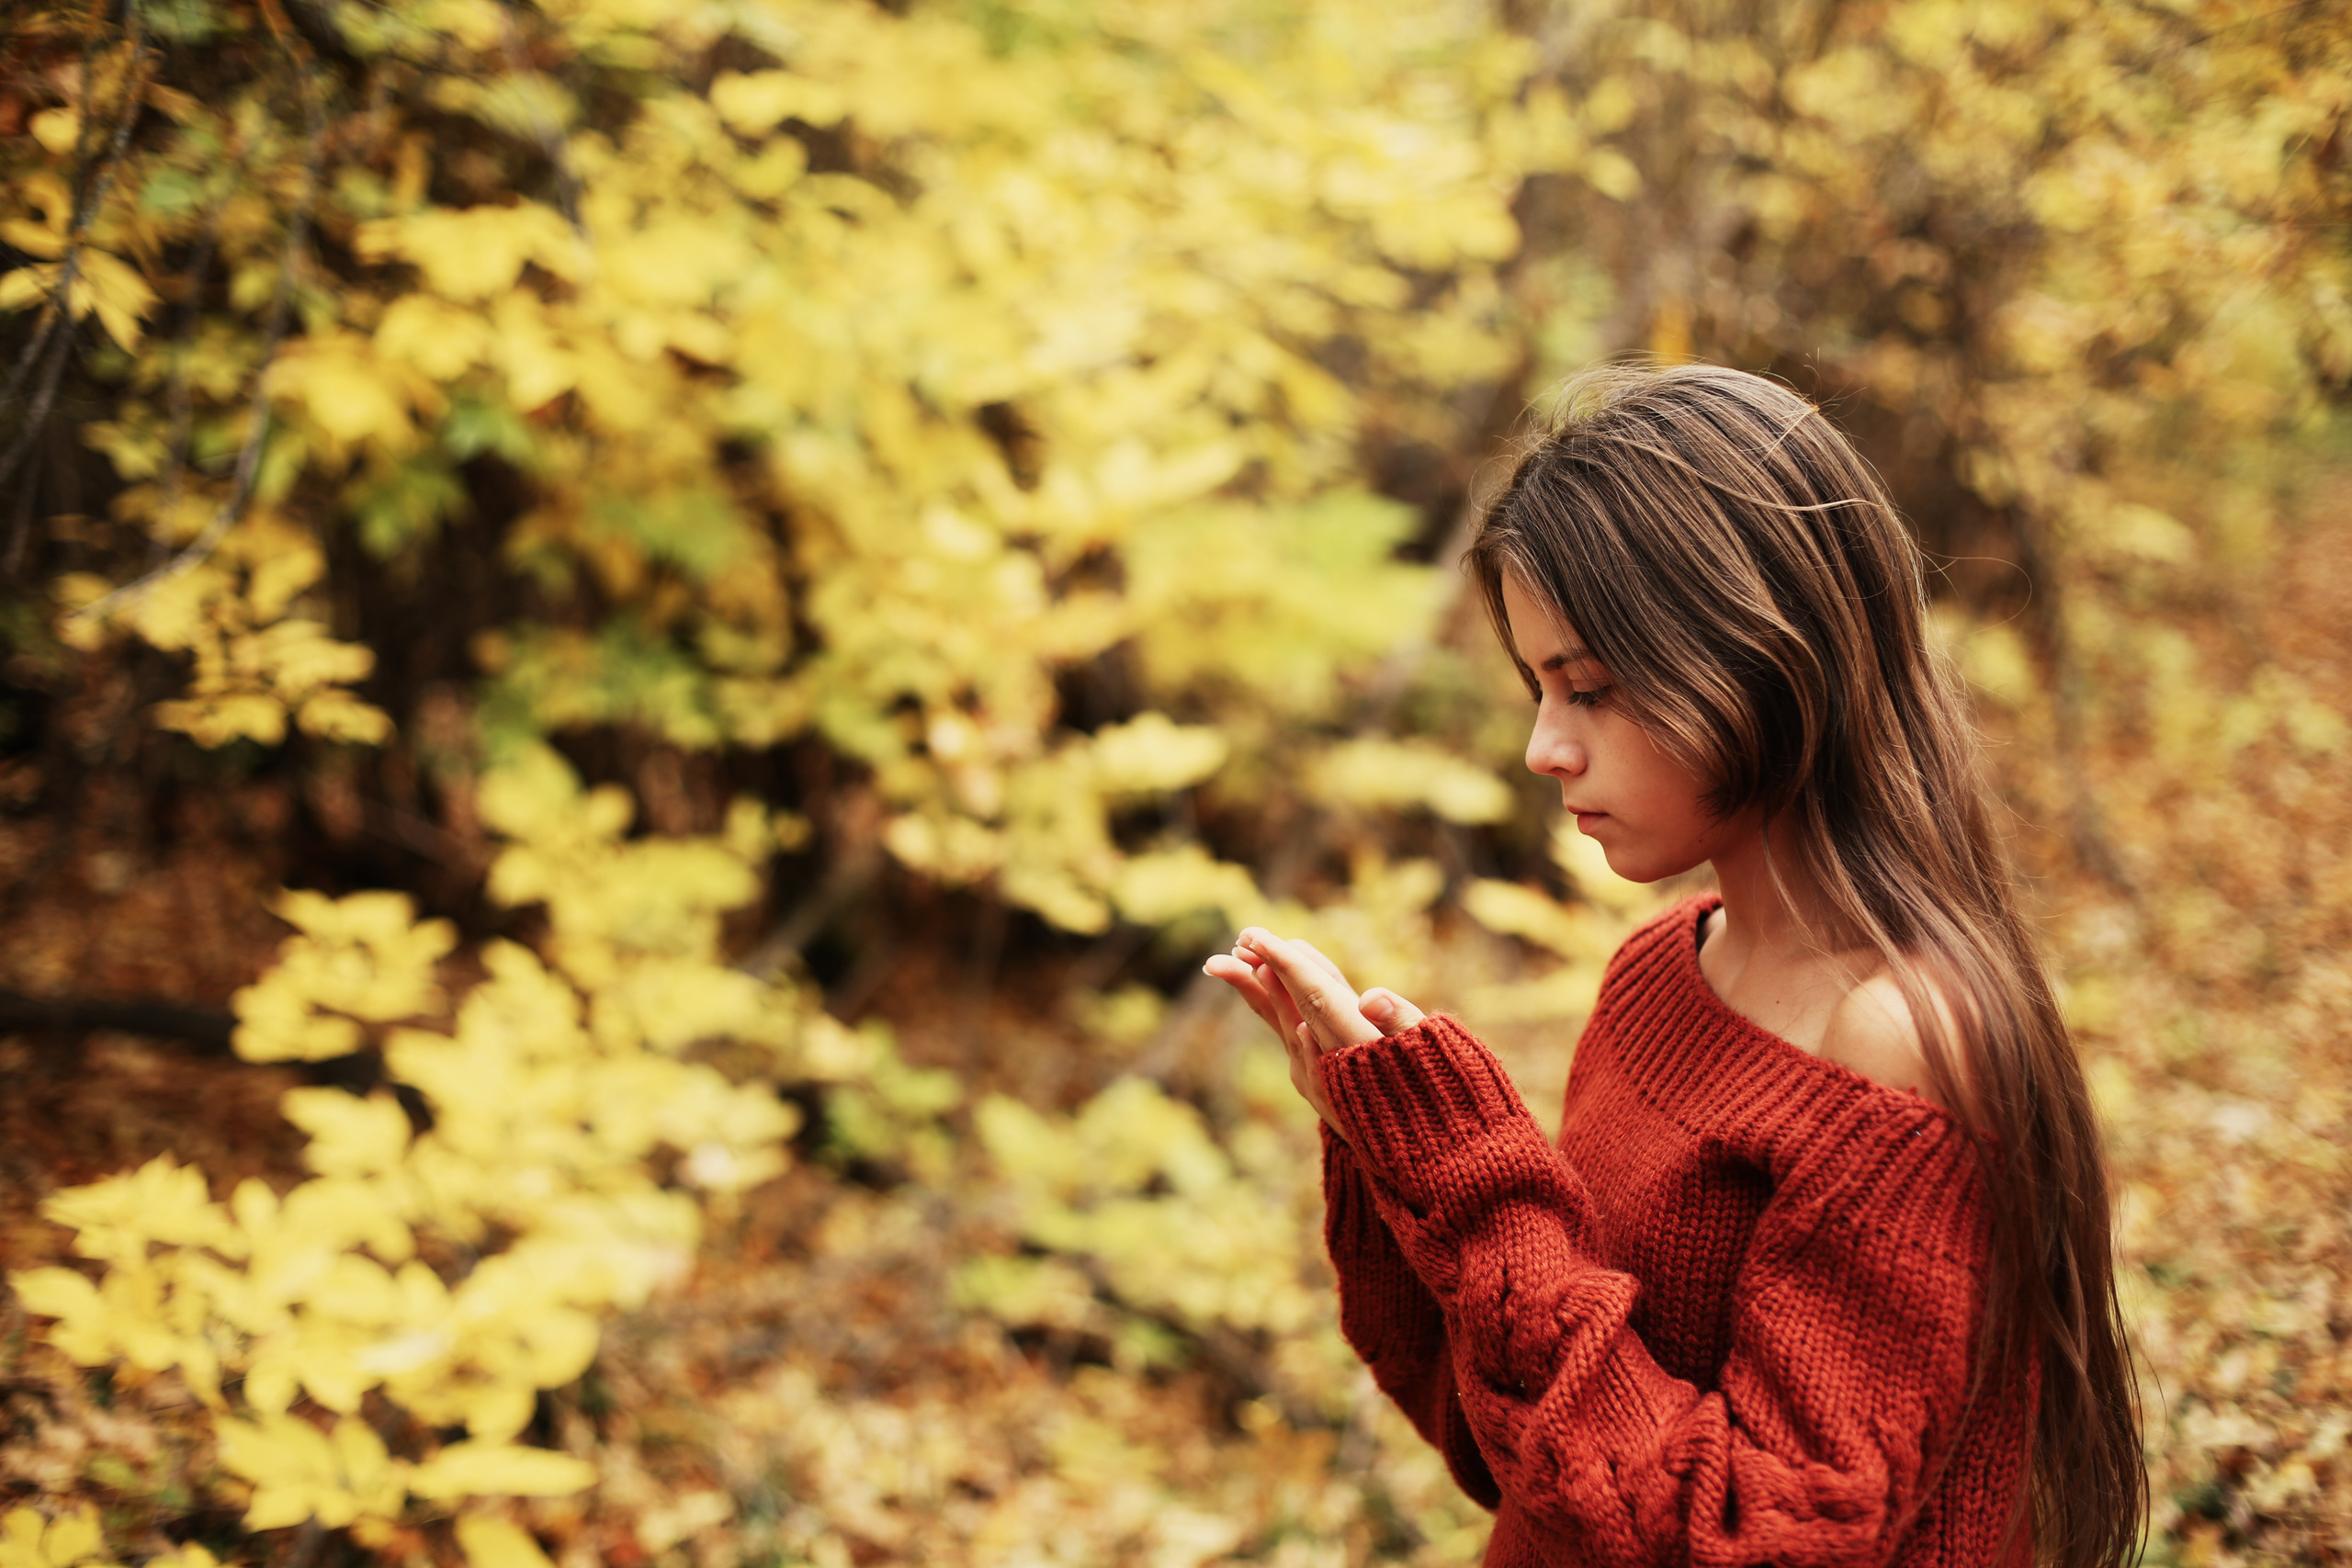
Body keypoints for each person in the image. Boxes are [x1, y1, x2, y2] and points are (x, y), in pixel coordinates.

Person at [1204, 365, 2143, 1568]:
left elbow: (1754, 1538)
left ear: (1765, 656)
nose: (1545, 746)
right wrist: (1392, 1150)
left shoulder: (1899, 1045)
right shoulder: (1662, 971)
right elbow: (1525, 1454)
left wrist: (1470, 1174)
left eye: (1590, 689)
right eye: (1539, 685)